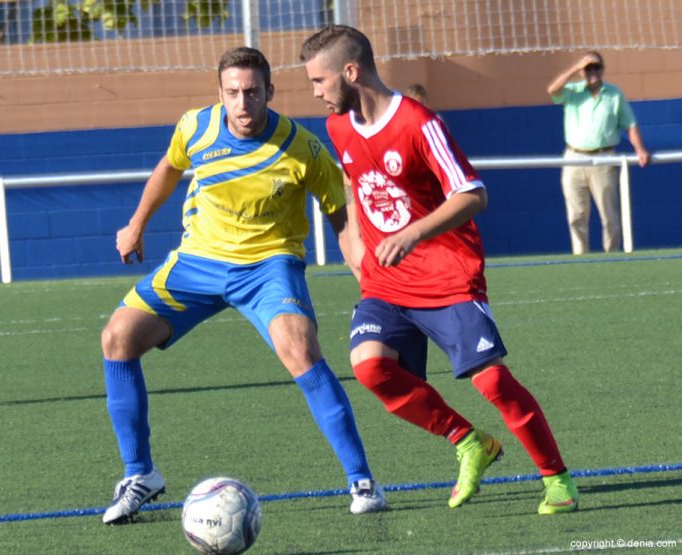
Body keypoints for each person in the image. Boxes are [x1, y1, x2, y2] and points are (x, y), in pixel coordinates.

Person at [100, 46, 386, 525]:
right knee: (117, 337)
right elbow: (170, 167)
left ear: (270, 93)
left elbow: (341, 215)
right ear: (220, 94)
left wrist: (364, 274)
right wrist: (136, 224)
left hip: (268, 266)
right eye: (232, 93)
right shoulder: (195, 127)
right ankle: (140, 475)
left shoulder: (302, 148)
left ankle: (362, 481)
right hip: (199, 261)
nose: (242, 103)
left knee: (299, 348)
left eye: (252, 92)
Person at [300, 25, 579, 515]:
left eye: (319, 81)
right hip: (386, 281)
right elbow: (352, 180)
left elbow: (474, 194)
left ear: (351, 71)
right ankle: (468, 441)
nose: (316, 92)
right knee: (369, 367)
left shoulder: (418, 123)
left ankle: (557, 480)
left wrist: (412, 234)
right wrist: (357, 246)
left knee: (490, 382)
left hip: (447, 274)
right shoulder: (338, 125)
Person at [546, 51, 651, 255]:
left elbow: (630, 125)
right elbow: (553, 90)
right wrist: (576, 68)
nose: (592, 72)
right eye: (588, 68)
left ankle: (611, 256)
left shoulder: (614, 94)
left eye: (596, 67)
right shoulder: (573, 92)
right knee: (576, 214)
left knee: (609, 214)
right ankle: (580, 257)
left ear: (602, 69)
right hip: (574, 158)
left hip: (604, 157)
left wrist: (640, 150)